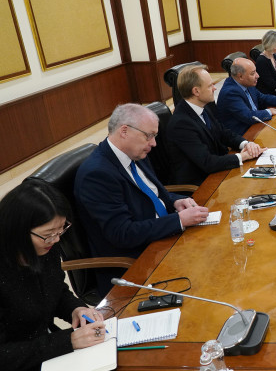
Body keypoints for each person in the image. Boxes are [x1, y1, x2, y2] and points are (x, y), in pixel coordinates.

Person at [74, 104, 210, 295]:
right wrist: (178, 220)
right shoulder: (97, 174)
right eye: (149, 136)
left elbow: (151, 194)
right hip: (137, 262)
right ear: (124, 131)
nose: (154, 143)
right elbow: (122, 233)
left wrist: (174, 202)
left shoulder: (136, 153)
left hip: (163, 239)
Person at [0, 180, 107, 371]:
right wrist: (68, 341)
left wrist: (76, 309)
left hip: (47, 350)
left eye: (61, 229)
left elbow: (55, 290)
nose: (56, 239)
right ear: (18, 230)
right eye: (49, 234)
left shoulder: (45, 247)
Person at [167, 64, 265, 186]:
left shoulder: (204, 106)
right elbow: (207, 162)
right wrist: (243, 156)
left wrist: (246, 144)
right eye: (210, 86)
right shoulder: (181, 123)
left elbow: (223, 133)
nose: (214, 88)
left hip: (218, 172)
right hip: (202, 184)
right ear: (196, 91)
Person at [217, 57, 276, 135]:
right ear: (240, 76)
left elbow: (262, 97)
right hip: (243, 134)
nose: (257, 76)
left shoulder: (246, 83)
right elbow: (248, 116)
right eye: (252, 73)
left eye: (256, 71)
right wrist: (268, 112)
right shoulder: (230, 92)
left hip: (255, 125)